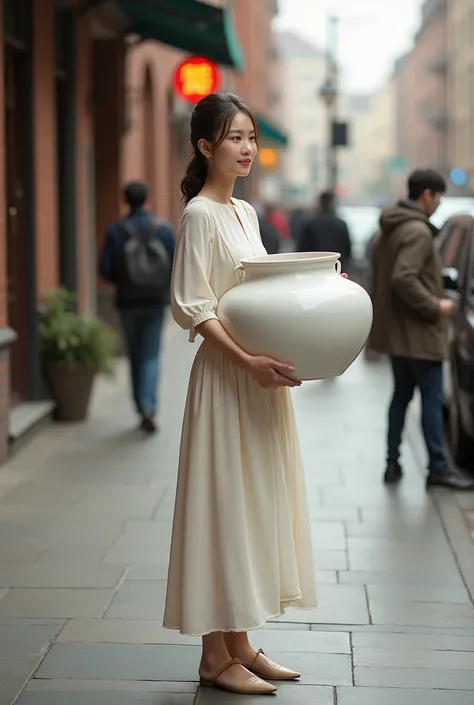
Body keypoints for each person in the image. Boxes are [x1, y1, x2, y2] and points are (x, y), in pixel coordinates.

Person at [163, 93, 318, 695]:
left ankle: (241, 644)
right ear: (205, 147)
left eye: (251, 136)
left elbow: (258, 290)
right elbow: (195, 307)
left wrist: (321, 288)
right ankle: (212, 656)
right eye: (234, 138)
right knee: (223, 506)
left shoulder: (246, 215)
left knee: (253, 505)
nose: (247, 148)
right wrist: (248, 361)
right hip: (228, 375)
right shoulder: (199, 214)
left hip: (257, 378)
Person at [368, 168, 474, 490]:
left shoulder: (392, 226)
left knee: (401, 395)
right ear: (427, 194)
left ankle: (392, 463)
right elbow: (404, 277)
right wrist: (435, 305)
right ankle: (438, 468)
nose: (439, 204)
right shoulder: (416, 231)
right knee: (429, 397)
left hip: (399, 330)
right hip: (418, 330)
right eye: (438, 196)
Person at [99, 181, 175, 434]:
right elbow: (176, 262)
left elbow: (105, 269)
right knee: (151, 354)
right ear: (148, 199)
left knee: (134, 354)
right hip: (155, 301)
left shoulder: (116, 231)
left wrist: (125, 280)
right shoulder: (163, 229)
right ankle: (149, 406)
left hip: (128, 302)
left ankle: (139, 406)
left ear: (125, 200)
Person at [297, 190, 352, 273]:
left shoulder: (311, 224)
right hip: (336, 268)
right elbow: (348, 249)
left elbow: (302, 250)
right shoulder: (341, 224)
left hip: (314, 269)